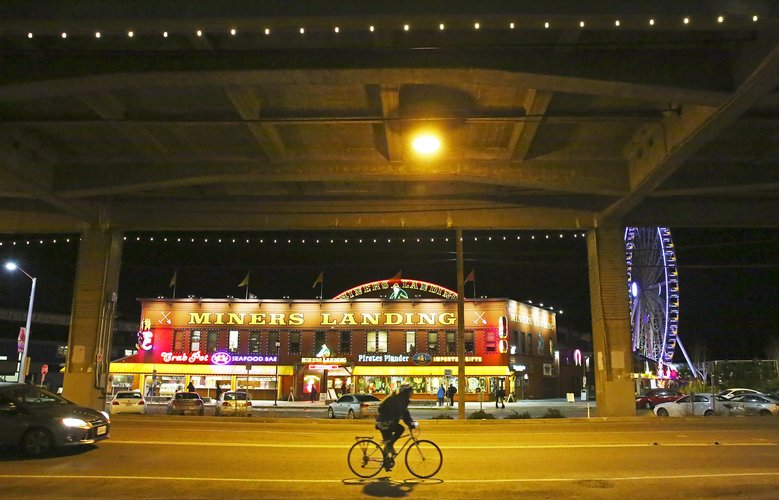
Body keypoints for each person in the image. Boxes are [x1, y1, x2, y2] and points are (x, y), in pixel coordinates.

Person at [375, 384, 417, 468]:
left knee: (388, 441)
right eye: (411, 391)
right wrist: (410, 424)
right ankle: (389, 448)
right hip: (385, 423)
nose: (412, 393)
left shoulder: (399, 399)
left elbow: (405, 413)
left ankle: (386, 462)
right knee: (400, 429)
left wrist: (411, 422)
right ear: (406, 392)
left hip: (385, 422)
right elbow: (404, 414)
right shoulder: (400, 400)